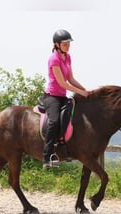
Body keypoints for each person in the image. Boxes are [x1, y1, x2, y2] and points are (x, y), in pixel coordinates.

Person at [42, 29, 89, 168]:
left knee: (73, 117)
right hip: (52, 97)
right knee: (54, 121)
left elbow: (71, 79)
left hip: (62, 96)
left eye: (69, 43)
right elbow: (62, 83)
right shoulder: (54, 59)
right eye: (64, 43)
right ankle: (47, 157)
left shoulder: (67, 57)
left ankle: (65, 150)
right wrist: (80, 92)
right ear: (56, 44)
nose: (67, 46)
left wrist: (85, 90)